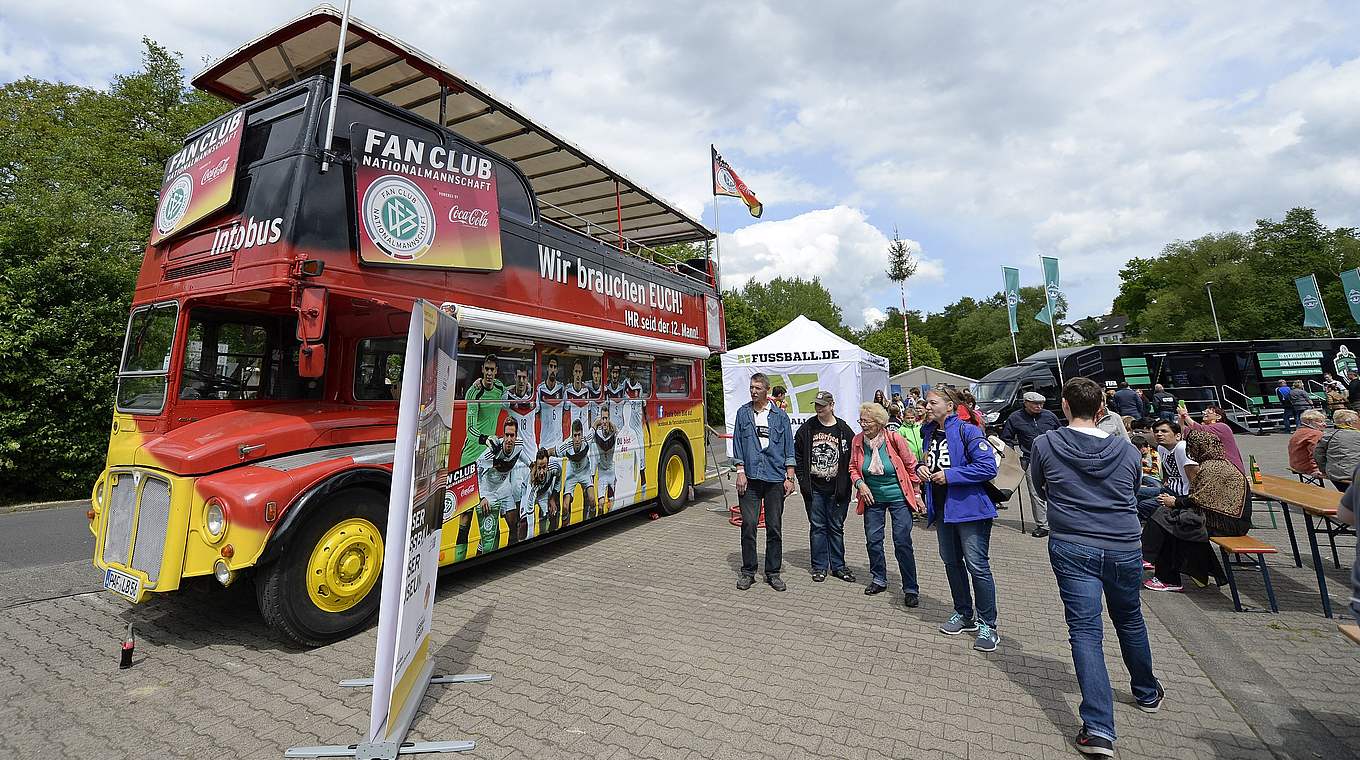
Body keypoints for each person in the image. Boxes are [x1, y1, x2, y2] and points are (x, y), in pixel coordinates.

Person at [1030, 377, 1164, 756]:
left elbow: (1039, 487)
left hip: (1073, 543)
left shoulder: (1046, 443)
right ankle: (1146, 690)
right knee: (1130, 619)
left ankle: (1099, 728)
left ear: (1065, 405)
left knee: (1086, 631)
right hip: (1122, 543)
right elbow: (1135, 487)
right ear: (1102, 407)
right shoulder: (1126, 449)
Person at [917, 387, 1001, 652]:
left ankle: (988, 624)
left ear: (950, 405)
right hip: (942, 510)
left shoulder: (968, 431)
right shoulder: (928, 432)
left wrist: (951, 475)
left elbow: (988, 466)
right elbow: (931, 461)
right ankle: (964, 613)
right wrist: (922, 468)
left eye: (933, 403)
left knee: (977, 565)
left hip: (970, 510)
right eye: (926, 403)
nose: (927, 407)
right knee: (951, 562)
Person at [1143, 429, 1250, 591]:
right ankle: (1172, 570)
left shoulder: (1212, 468)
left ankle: (1166, 574)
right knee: (1167, 517)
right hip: (1223, 518)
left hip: (1227, 523)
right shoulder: (1218, 463)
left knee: (1168, 522)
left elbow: (1199, 499)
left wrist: (1175, 502)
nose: (1190, 452)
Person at [851, 401, 924, 605]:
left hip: (899, 497)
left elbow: (911, 466)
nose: (863, 425)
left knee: (902, 541)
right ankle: (879, 578)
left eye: (867, 421)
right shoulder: (857, 441)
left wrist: (917, 494)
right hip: (872, 498)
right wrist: (859, 484)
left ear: (879, 422)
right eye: (861, 421)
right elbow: (853, 468)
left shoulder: (894, 438)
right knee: (873, 540)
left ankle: (910, 588)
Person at [731, 372, 796, 591]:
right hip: (750, 478)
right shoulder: (743, 413)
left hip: (775, 477)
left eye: (758, 387)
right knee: (748, 525)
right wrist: (740, 471)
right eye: (751, 387)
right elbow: (738, 445)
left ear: (767, 390)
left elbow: (789, 447)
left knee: (774, 527)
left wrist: (790, 476)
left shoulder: (780, 416)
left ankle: (773, 572)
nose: (753, 391)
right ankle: (748, 571)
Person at [794, 391, 857, 583]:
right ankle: (819, 566)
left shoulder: (843, 429)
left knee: (836, 527)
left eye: (823, 405)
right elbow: (798, 455)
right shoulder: (807, 428)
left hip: (837, 489)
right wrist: (803, 481)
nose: (819, 409)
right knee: (818, 527)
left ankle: (838, 566)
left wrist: (847, 483)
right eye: (817, 405)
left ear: (832, 405)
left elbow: (853, 457)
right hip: (814, 488)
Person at [1000, 391, 1061, 538]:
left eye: (1041, 404)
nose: (1039, 406)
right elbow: (1007, 438)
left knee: (1056, 490)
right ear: (1026, 403)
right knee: (1035, 492)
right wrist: (1012, 455)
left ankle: (1059, 523)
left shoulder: (1049, 416)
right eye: (1035, 404)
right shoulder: (1015, 417)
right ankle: (1043, 525)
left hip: (1052, 457)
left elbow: (1060, 432)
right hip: (1030, 458)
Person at [1177, 405, 1243, 474]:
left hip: (1231, 468)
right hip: (1215, 468)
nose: (1205, 413)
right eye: (1205, 411)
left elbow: (1200, 429)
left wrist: (1185, 415)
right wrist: (1181, 419)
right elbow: (1184, 431)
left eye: (1208, 412)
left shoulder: (1223, 427)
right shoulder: (1205, 428)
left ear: (1218, 416)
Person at [556, 419, 596, 526]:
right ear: (571, 435)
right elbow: (551, 451)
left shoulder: (587, 439)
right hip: (572, 473)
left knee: (592, 500)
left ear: (582, 434)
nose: (577, 439)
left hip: (585, 471)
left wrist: (602, 421)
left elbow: (595, 424)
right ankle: (565, 527)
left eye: (579, 435)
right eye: (575, 435)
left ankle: (592, 524)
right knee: (565, 506)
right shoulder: (566, 446)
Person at [1315, 409, 1360, 490]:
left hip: (1334, 475)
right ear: (1349, 423)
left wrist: (1324, 470)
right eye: (1357, 421)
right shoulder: (1357, 435)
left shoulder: (1328, 436)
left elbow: (1318, 454)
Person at [1152, 420, 1198, 497]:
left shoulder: (1182, 447)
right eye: (1156, 431)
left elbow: (1195, 478)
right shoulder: (1161, 448)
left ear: (1178, 436)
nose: (1159, 434)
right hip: (1170, 489)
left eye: (1164, 431)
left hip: (1184, 494)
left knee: (1144, 505)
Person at [1130, 434, 1164, 520]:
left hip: (1154, 477)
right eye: (1140, 447)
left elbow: (1156, 469)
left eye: (1145, 446)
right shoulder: (1134, 456)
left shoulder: (1154, 454)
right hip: (1143, 477)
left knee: (1157, 487)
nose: (1144, 449)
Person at [1289, 410, 1327, 482]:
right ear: (1309, 422)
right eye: (1320, 422)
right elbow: (1315, 453)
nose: (1325, 424)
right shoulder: (1315, 434)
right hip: (1307, 466)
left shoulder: (1299, 431)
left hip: (1295, 464)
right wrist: (1315, 469)